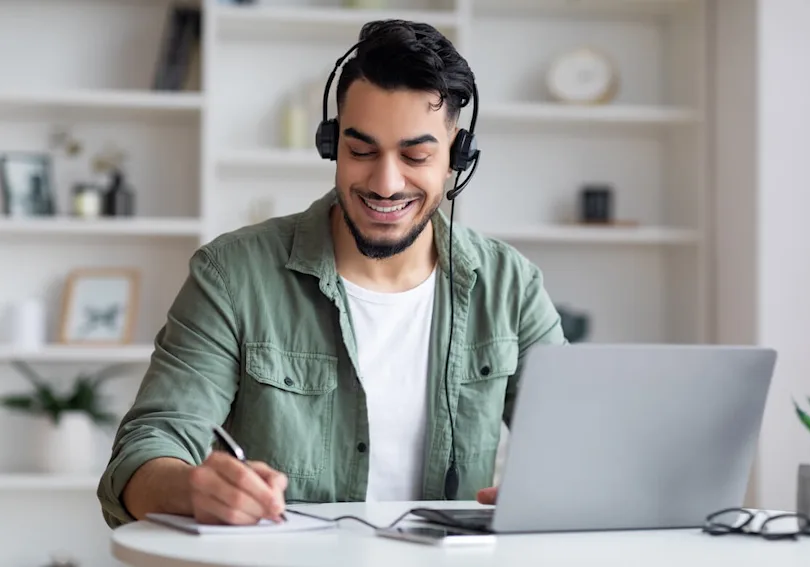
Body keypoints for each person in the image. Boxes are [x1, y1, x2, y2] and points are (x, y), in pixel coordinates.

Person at [96, 19, 565, 529]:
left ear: (457, 155)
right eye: (360, 151)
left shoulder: (512, 287)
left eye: (416, 155)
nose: (386, 184)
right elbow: (145, 452)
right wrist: (193, 489)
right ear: (330, 143)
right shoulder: (231, 275)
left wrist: (553, 492)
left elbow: (577, 447)